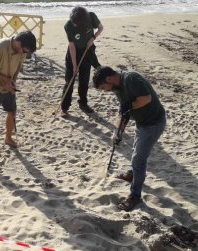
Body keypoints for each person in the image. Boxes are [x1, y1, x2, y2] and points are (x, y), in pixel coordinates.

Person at [92, 66, 166, 211]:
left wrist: (129, 105)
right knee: (136, 151)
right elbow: (124, 112)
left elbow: (146, 98)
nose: (105, 90)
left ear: (108, 79)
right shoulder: (117, 88)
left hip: (153, 123)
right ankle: (134, 174)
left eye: (103, 87)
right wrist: (117, 132)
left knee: (139, 158)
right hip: (141, 123)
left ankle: (135, 196)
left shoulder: (130, 79)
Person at [0, 31, 37, 163]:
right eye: (24, 49)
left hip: (9, 84)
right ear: (18, 42)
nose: (24, 53)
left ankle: (8, 138)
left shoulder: (22, 51)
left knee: (12, 112)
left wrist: (12, 81)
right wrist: (5, 80)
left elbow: (18, 66)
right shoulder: (0, 47)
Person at [61, 6, 103, 116]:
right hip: (73, 54)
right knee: (69, 81)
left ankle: (83, 103)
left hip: (88, 51)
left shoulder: (91, 17)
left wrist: (92, 38)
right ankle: (64, 107)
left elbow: (100, 28)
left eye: (76, 23)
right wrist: (75, 65)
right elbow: (72, 46)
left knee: (84, 81)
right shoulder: (68, 26)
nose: (74, 24)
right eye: (73, 22)